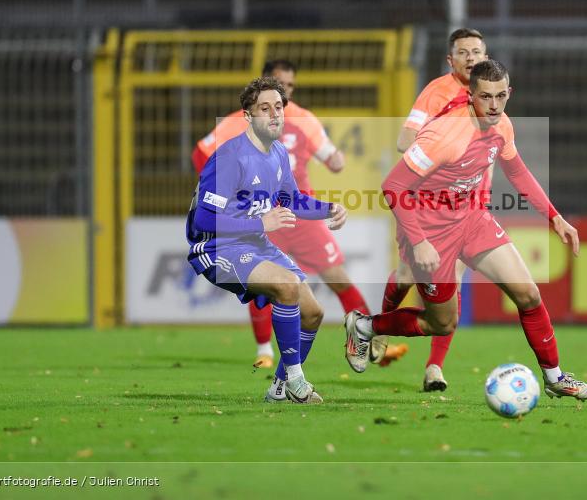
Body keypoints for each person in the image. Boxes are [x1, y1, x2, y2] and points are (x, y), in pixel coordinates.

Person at [344, 60, 587, 401]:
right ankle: (364, 326)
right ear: (470, 95)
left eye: (500, 96)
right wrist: (419, 241)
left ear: (509, 93)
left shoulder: (503, 125)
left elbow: (518, 172)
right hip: (431, 231)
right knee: (442, 324)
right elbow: (394, 186)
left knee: (528, 295)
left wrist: (554, 217)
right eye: (485, 97)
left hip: (472, 218)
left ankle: (555, 378)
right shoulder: (444, 133)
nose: (493, 105)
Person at [193, 60, 407, 368]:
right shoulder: (240, 123)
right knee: (269, 286)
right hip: (263, 218)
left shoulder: (303, 120)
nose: (284, 93)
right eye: (278, 84)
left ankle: (368, 347)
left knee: (337, 279)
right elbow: (202, 153)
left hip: (299, 215)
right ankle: (265, 352)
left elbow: (327, 161)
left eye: (289, 87)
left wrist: (334, 171)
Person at [186, 76, 348, 404]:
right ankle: (297, 382)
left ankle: (277, 388)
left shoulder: (277, 154)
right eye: (264, 108)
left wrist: (327, 209)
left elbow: (292, 200)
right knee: (287, 285)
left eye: (278, 107)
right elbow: (204, 219)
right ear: (247, 116)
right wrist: (260, 220)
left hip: (252, 243)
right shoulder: (231, 157)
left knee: (313, 312)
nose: (274, 114)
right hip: (216, 247)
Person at [377, 28, 488, 391]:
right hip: (427, 206)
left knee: (451, 285)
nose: (471, 57)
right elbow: (404, 141)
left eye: (477, 51)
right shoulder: (437, 92)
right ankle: (378, 327)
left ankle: (434, 369)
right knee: (408, 274)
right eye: (463, 52)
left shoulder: (489, 94)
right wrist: (444, 151)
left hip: (468, 207)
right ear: (450, 60)